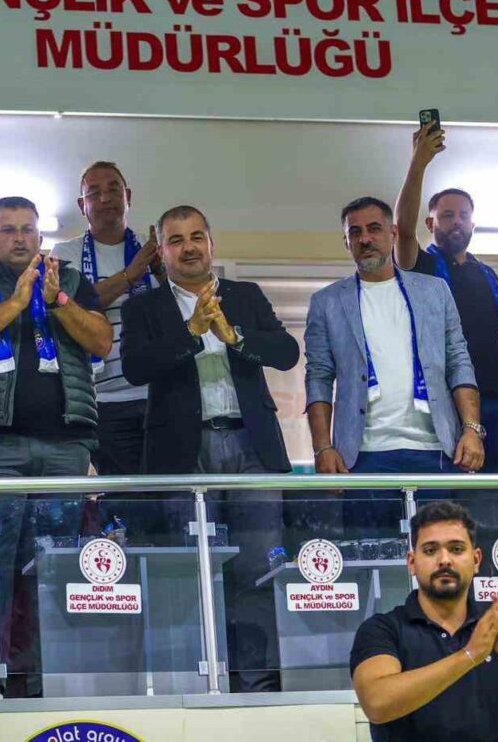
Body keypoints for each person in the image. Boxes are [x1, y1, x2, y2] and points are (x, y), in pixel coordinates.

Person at [120, 204, 299, 692]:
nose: (189, 248)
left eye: (197, 236)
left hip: (252, 447)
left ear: (211, 243)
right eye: (176, 240)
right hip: (183, 452)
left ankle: (256, 683)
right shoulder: (144, 307)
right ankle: (200, 682)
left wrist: (234, 336)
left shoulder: (245, 295)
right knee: (190, 568)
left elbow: (287, 353)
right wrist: (192, 333)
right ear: (161, 252)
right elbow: (135, 368)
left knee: (258, 569)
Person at [0, 195, 112, 693]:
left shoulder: (71, 282)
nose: (19, 238)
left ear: (40, 235)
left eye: (27, 229)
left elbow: (101, 341)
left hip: (64, 446)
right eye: (7, 230)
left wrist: (57, 302)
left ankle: (44, 682)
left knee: (53, 567)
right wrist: (15, 304)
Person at [305, 197, 482, 494]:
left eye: (374, 228)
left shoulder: (434, 291)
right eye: (355, 232)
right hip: (361, 456)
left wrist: (472, 429)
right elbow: (318, 376)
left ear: (394, 233)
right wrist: (322, 448)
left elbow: (458, 360)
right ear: (347, 242)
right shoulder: (327, 302)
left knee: (443, 527)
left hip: (436, 449)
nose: (365, 239)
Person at [351, 501, 498, 741]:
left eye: (456, 549)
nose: (444, 560)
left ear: (476, 560)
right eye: (430, 550)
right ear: (411, 562)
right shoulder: (383, 629)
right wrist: (470, 654)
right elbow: (377, 704)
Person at [394, 125, 498, 474]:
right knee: (449, 499)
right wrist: (418, 163)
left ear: (473, 223)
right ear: (431, 223)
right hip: (447, 405)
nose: (456, 222)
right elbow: (403, 229)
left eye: (463, 215)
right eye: (447, 215)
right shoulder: (421, 266)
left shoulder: (487, 274)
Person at [51, 161, 162, 476]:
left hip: (157, 393)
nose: (105, 198)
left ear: (128, 196)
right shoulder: (65, 253)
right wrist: (131, 274)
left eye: (114, 189)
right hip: (100, 398)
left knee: (166, 490)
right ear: (81, 205)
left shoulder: (153, 249)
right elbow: (71, 308)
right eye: (94, 192)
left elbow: (179, 311)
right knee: (122, 493)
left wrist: (162, 274)